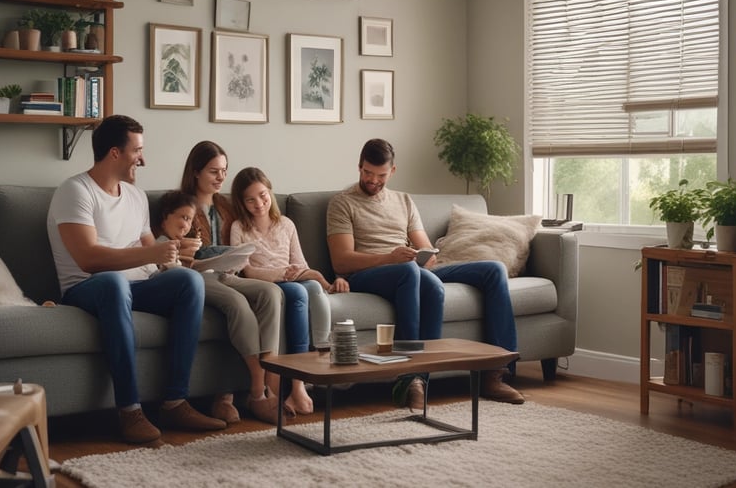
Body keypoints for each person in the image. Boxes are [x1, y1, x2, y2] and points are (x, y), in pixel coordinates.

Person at [46, 115, 226, 445]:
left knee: (189, 282)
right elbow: (88, 259)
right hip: (87, 288)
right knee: (114, 283)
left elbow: (153, 255)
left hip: (137, 285)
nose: (143, 159)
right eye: (137, 151)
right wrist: (151, 254)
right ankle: (130, 410)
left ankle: (175, 402)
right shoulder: (75, 191)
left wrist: (178, 252)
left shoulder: (135, 196)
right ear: (115, 153)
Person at [326, 138, 525, 406]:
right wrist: (391, 258)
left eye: (381, 175)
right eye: (367, 173)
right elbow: (342, 262)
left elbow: (427, 252)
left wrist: (424, 256)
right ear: (359, 167)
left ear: (392, 171)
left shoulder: (404, 201)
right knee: (416, 275)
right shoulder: (342, 203)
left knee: (494, 270)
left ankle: (496, 373)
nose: (373, 180)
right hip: (370, 273)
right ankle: (412, 378)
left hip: (410, 269)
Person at [179, 141, 286, 425]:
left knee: (271, 293)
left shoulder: (227, 206)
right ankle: (257, 391)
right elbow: (170, 248)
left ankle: (268, 383)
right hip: (196, 276)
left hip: (228, 274)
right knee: (237, 303)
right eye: (214, 171)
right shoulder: (179, 203)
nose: (221, 177)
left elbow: (249, 235)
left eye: (224, 171)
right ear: (196, 172)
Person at [228, 167, 348, 414]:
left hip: (293, 278)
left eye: (263, 195)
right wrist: (281, 274)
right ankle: (298, 385)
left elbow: (300, 264)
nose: (258, 203)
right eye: (250, 200)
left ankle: (316, 361)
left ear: (270, 192)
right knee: (298, 292)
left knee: (312, 288)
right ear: (241, 202)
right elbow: (246, 271)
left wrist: (323, 280)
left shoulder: (286, 224)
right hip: (267, 284)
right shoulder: (239, 227)